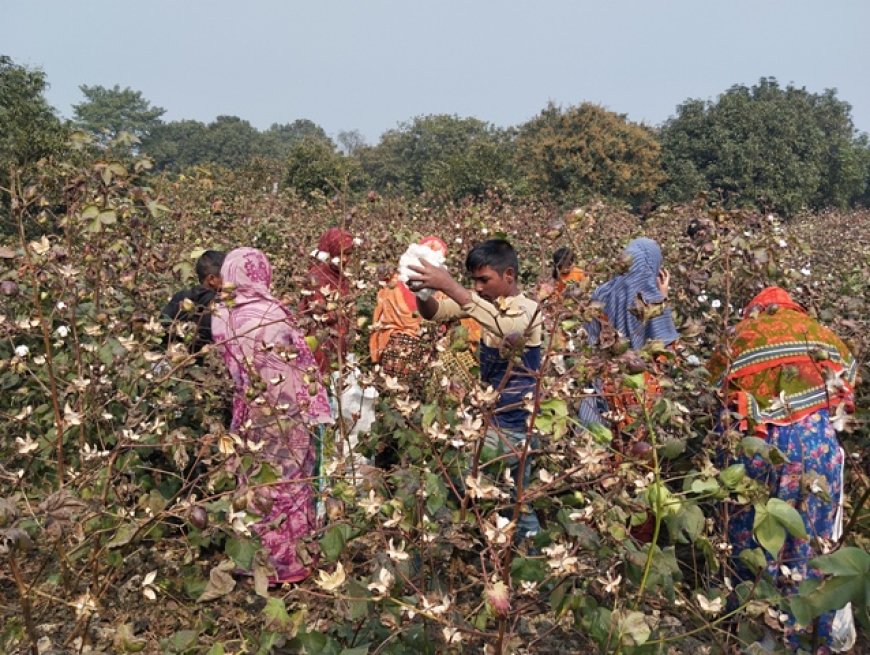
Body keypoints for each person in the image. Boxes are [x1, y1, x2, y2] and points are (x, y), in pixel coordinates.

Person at [708, 286, 857, 652]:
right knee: (814, 544)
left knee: (754, 540)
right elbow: (845, 393)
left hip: (760, 452)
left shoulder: (740, 338)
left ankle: (755, 633)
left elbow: (717, 393)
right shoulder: (821, 335)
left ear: (755, 312)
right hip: (818, 452)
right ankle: (811, 636)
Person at [211, 247, 333, 584]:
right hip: (283, 414)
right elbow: (292, 366)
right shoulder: (270, 314)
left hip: (247, 409)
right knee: (288, 482)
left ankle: (250, 558)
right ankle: (285, 563)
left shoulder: (221, 313)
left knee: (252, 480)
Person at [409, 238, 543, 540]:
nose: (478, 288)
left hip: (517, 425)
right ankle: (502, 551)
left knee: (512, 501)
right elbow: (435, 313)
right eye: (474, 281)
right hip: (493, 420)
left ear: (509, 275)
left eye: (484, 279)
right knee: (501, 497)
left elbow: (509, 330)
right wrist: (423, 292)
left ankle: (531, 557)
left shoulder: (528, 311)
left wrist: (450, 284)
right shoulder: (485, 304)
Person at [577, 237, 678, 436]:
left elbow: (588, 340)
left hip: (603, 382)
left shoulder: (602, 293)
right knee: (638, 448)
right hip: (639, 390)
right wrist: (663, 297)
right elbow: (668, 354)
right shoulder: (653, 300)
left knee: (603, 449)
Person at [301, 228, 355, 375]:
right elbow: (319, 312)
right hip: (321, 343)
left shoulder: (340, 276)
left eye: (348, 254)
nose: (345, 259)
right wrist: (341, 310)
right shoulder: (317, 276)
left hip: (338, 342)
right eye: (340, 254)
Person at [160, 250, 226, 354]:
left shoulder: (180, 296)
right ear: (212, 279)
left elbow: (161, 330)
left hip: (174, 360)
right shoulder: (220, 304)